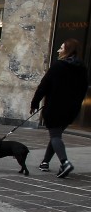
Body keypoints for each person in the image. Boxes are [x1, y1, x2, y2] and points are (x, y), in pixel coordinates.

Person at [31, 38, 88, 179]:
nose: (58, 50)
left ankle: (65, 162)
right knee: (56, 135)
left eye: (61, 48)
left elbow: (43, 86)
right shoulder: (82, 68)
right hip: (71, 109)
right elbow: (83, 89)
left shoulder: (58, 66)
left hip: (54, 108)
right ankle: (45, 162)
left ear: (67, 51)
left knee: (55, 136)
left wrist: (34, 103)